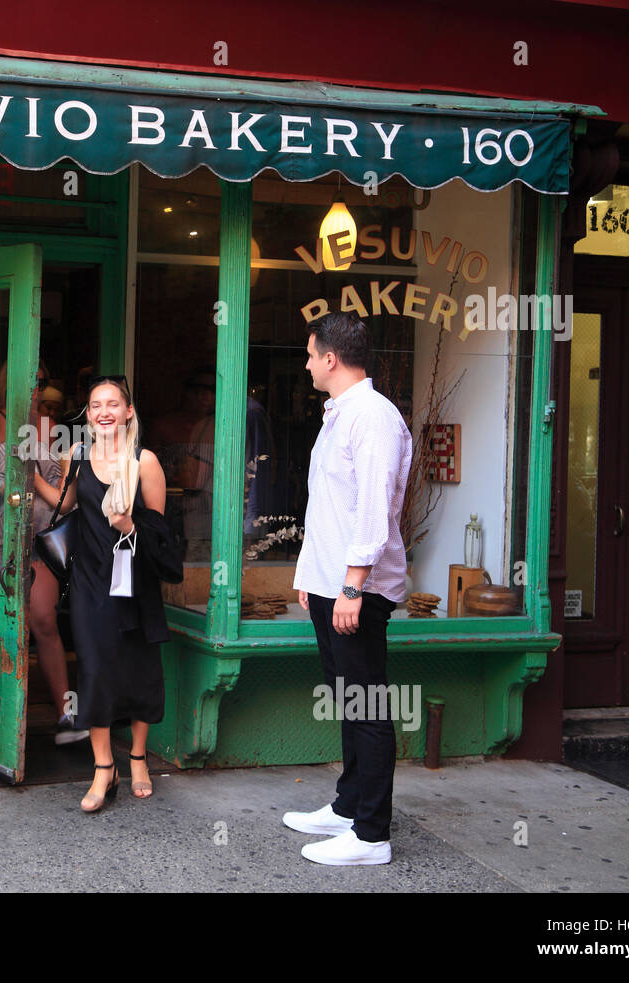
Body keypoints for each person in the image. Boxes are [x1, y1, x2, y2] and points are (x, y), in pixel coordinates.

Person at [283, 311, 412, 866]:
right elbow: (329, 509)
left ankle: (371, 835)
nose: (308, 363)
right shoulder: (339, 415)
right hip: (331, 586)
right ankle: (348, 806)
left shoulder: (374, 418)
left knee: (368, 706)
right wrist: (310, 581)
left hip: (358, 590)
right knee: (348, 700)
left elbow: (373, 513)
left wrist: (353, 588)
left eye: (311, 354)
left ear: (331, 358)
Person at [38, 376, 180, 813]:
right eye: (96, 404)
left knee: (137, 668)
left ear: (128, 412)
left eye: (113, 404)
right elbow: (67, 506)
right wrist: (27, 482)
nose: (103, 411)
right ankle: (104, 767)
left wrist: (130, 527)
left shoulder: (145, 462)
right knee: (95, 672)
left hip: (134, 583)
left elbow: (161, 537)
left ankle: (137, 758)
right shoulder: (75, 456)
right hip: (88, 581)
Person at [0, 362, 89, 747]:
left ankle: (65, 714)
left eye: (42, 382)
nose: (36, 389)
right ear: (9, 383)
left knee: (44, 622)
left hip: (40, 535)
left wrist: (37, 475)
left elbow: (61, 487)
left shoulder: (51, 427)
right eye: (30, 381)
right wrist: (19, 481)